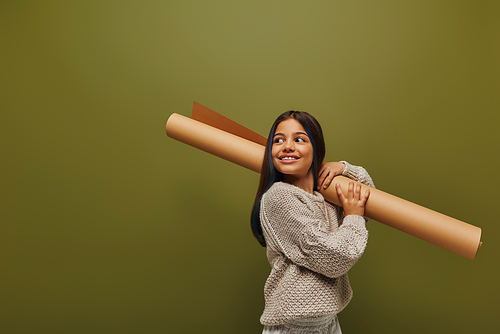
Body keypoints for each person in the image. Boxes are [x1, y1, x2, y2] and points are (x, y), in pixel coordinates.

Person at [251, 110, 375, 334]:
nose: (287, 146)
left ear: (315, 148)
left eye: (299, 139)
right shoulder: (280, 196)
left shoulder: (325, 197)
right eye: (278, 140)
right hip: (294, 327)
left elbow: (371, 199)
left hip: (328, 323)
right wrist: (353, 216)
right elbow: (333, 257)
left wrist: (345, 168)